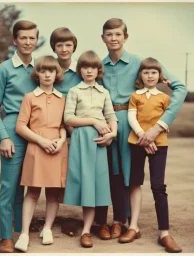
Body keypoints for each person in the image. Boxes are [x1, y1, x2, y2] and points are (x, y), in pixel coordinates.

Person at [94, 18, 187, 243]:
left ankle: (126, 222)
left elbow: (180, 87)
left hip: (134, 123)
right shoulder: (99, 65)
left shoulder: (140, 62)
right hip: (107, 123)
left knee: (131, 175)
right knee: (111, 173)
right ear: (103, 38)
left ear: (126, 37)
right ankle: (115, 221)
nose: (114, 38)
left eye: (118, 34)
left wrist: (158, 127)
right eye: (109, 34)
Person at [118, 57, 182, 253]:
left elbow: (166, 121)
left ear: (160, 75)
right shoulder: (135, 96)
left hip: (159, 144)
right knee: (135, 182)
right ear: (140, 76)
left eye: (154, 72)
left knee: (158, 186)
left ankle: (164, 233)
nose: (150, 76)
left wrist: (153, 137)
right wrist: (142, 137)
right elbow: (131, 117)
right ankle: (133, 227)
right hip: (137, 142)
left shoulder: (164, 98)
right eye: (146, 72)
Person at [0, 20, 39, 253]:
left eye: (32, 38)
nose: (28, 42)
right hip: (12, 129)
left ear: (36, 40)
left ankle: (21, 230)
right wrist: (3, 137)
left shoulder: (42, 68)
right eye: (23, 38)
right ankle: (6, 237)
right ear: (14, 40)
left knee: (26, 184)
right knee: (9, 186)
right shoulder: (4, 69)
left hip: (37, 130)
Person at [63, 50, 118, 248]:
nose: (89, 71)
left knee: (97, 185)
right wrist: (94, 121)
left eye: (93, 67)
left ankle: (89, 227)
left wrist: (112, 134)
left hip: (100, 142)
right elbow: (68, 118)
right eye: (85, 67)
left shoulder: (104, 92)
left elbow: (111, 117)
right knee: (85, 182)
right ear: (80, 70)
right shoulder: (74, 91)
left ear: (98, 70)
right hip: (81, 141)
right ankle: (86, 231)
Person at [14, 56, 68, 252]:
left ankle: (47, 229)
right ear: (37, 74)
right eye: (43, 71)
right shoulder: (30, 97)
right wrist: (41, 141)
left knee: (53, 193)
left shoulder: (62, 99)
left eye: (51, 71)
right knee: (33, 192)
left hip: (57, 148)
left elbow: (63, 126)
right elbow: (20, 126)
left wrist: (61, 141)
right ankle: (24, 233)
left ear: (56, 74)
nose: (47, 74)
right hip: (37, 147)